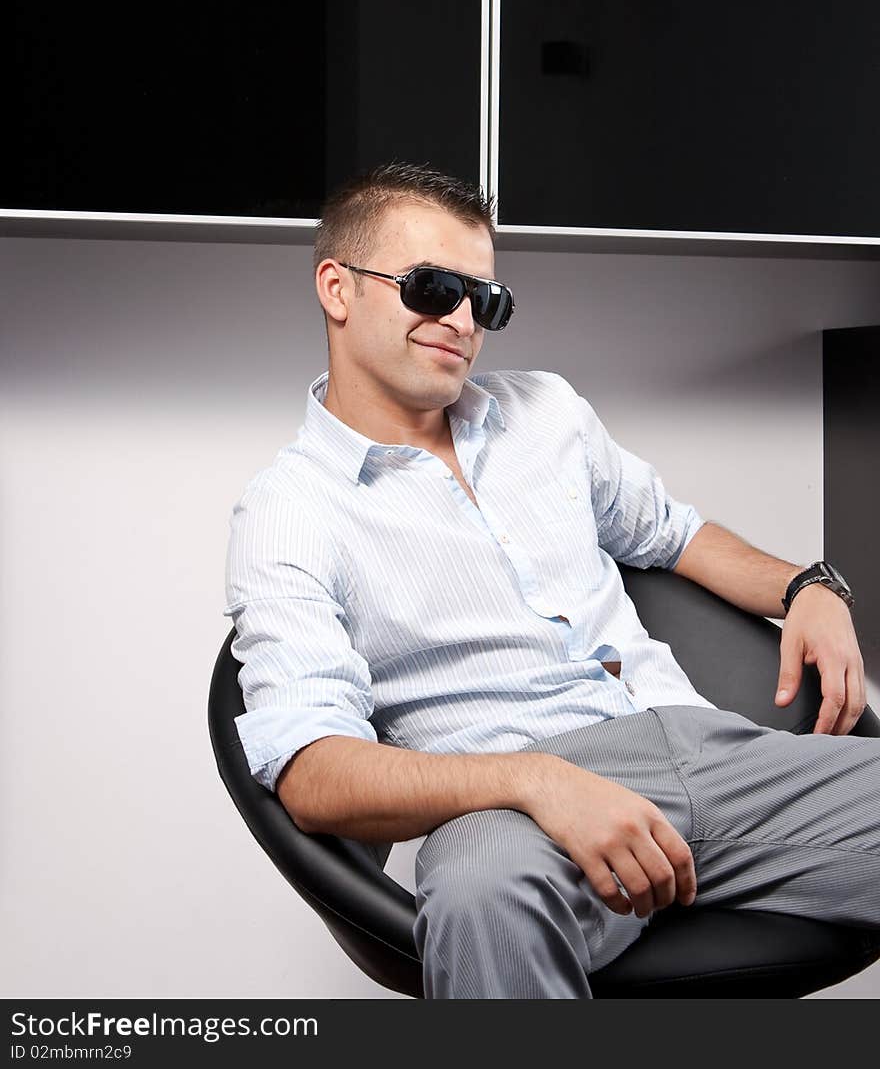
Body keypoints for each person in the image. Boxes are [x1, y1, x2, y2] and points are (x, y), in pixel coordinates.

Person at [224, 160, 879, 999]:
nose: (461, 320)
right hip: (512, 809)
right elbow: (312, 774)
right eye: (431, 287)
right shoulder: (289, 511)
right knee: (482, 900)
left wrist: (808, 585)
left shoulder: (549, 413)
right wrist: (535, 781)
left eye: (484, 300)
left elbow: (672, 533)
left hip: (706, 750)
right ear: (338, 289)